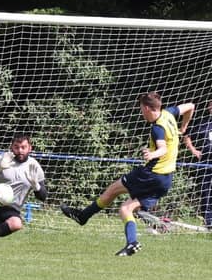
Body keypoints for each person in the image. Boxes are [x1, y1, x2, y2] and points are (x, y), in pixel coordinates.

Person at [60, 92, 195, 256]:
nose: (141, 112)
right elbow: (190, 106)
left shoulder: (158, 127)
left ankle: (83, 216)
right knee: (125, 208)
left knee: (112, 190)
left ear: (146, 108)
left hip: (151, 174)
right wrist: (183, 127)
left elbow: (163, 148)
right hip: (165, 179)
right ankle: (132, 243)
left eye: (141, 109)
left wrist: (153, 154)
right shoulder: (169, 113)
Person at [183, 100, 212, 230]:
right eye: (210, 105)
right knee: (206, 191)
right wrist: (193, 150)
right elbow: (187, 136)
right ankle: (208, 221)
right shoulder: (203, 123)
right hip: (206, 162)